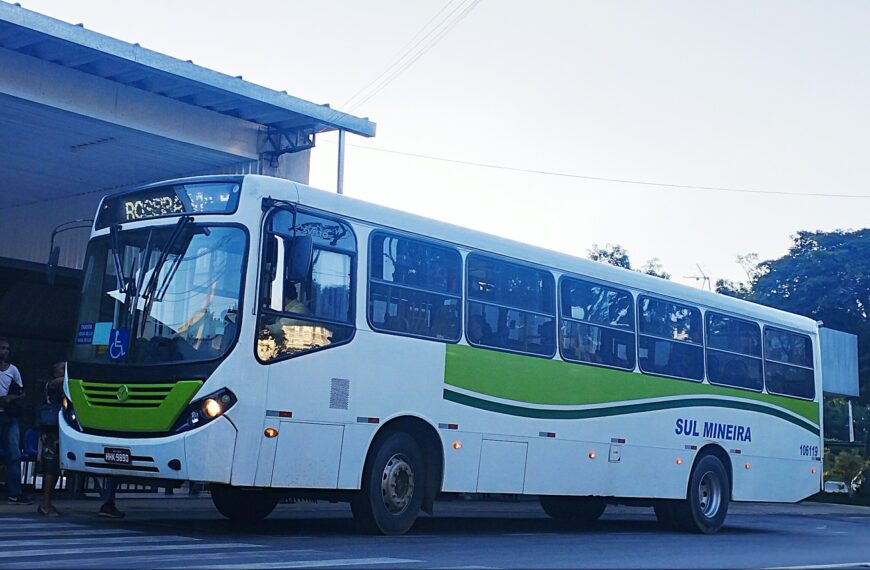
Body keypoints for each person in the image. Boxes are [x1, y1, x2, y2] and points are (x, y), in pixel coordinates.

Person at [0, 337, 32, 504]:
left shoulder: (13, 370)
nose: (5, 352)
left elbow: (22, 392)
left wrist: (10, 398)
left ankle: (15, 491)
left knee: (14, 453)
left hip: (9, 415)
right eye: (2, 348)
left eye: (7, 349)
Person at [37, 361, 64, 516]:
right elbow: (58, 383)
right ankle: (45, 504)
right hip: (51, 430)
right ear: (55, 373)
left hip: (58, 429)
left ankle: (47, 503)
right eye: (63, 369)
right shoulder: (51, 385)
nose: (66, 371)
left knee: (55, 468)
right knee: (50, 467)